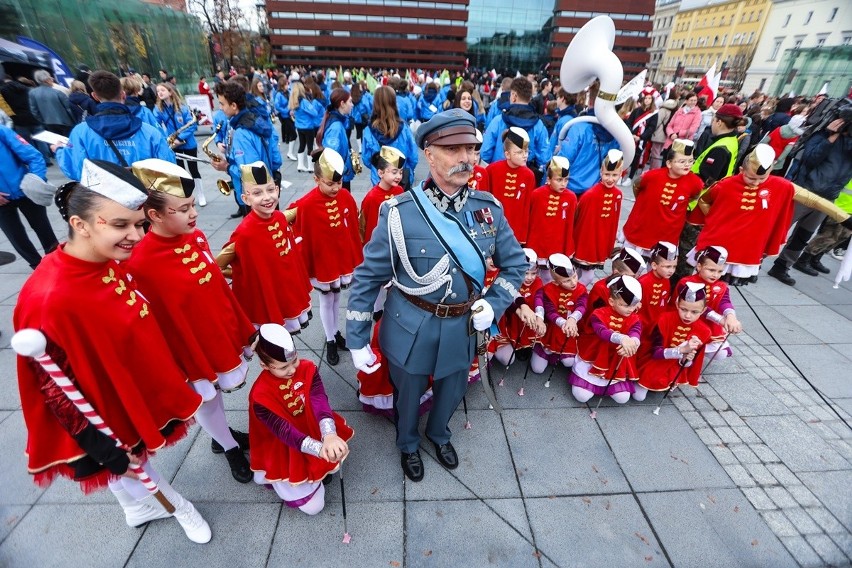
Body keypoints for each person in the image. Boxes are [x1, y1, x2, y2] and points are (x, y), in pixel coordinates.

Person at [13, 159, 210, 543]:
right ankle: (175, 505)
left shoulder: (106, 255)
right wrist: (98, 444)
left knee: (134, 458)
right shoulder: (48, 298)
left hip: (126, 377)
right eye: (120, 224)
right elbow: (52, 386)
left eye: (139, 224)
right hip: (97, 399)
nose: (136, 236)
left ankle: (134, 507)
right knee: (128, 460)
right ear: (80, 224)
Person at [345, 109, 527, 482]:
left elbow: (515, 266)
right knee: (408, 394)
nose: (465, 158)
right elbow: (368, 277)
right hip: (411, 324)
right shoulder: (398, 212)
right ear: (429, 154)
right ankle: (408, 443)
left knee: (453, 387)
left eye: (471, 149)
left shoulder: (487, 209)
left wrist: (491, 307)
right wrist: (357, 337)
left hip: (463, 325)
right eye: (453, 149)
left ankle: (439, 433)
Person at [126, 158, 255, 483]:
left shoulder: (195, 236)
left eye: (193, 204)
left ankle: (219, 434)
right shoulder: (139, 262)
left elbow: (213, 288)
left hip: (215, 332)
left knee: (217, 394)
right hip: (188, 347)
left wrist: (240, 325)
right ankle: (228, 447)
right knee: (206, 396)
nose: (194, 213)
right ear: (153, 215)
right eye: (183, 209)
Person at [248, 324, 353, 515]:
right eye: (282, 367)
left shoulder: (307, 368)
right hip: (284, 445)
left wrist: (329, 435)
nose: (292, 370)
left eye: (294, 360)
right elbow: (285, 432)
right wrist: (320, 449)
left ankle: (318, 471)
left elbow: (319, 400)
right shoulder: (260, 396)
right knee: (314, 508)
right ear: (264, 365)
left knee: (331, 452)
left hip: (312, 426)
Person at [216, 162, 312, 333]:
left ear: (277, 189)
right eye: (257, 193)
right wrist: (249, 276)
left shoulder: (280, 218)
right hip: (267, 298)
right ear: (245, 198)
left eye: (270, 190)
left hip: (287, 291)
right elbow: (219, 266)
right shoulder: (244, 233)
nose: (267, 197)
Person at [290, 148, 363, 365]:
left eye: (338, 183)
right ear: (316, 179)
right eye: (330, 184)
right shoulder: (306, 203)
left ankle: (335, 332)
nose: (335, 188)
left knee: (337, 297)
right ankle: (330, 339)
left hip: (339, 258)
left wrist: (354, 255)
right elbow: (295, 226)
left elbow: (352, 228)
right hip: (322, 261)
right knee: (326, 298)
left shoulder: (346, 196)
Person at [768, 112, 852, 285]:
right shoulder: (821, 135)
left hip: (827, 198)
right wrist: (830, 137)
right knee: (779, 228)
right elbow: (809, 158)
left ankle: (782, 266)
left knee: (804, 234)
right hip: (805, 191)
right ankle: (754, 263)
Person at [54, 71, 175, 181]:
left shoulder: (80, 133)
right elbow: (169, 166)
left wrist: (59, 150)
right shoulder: (149, 131)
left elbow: (75, 170)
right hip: (145, 199)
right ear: (123, 95)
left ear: (95, 96)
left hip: (104, 201)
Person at [622, 139, 703, 258]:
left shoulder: (695, 182)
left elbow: (694, 196)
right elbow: (637, 186)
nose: (687, 165)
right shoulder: (651, 176)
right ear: (669, 163)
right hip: (642, 229)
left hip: (668, 234)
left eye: (691, 161)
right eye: (681, 161)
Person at [569, 275, 643, 404]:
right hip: (595, 356)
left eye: (634, 305)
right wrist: (622, 338)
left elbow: (636, 332)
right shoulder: (599, 314)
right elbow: (602, 332)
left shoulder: (634, 318)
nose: (631, 309)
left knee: (623, 398)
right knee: (582, 396)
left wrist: (633, 343)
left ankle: (608, 385)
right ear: (611, 301)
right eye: (625, 305)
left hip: (615, 361)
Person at [213, 81, 282, 218]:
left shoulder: (241, 133)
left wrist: (226, 167)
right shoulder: (257, 120)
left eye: (222, 104)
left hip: (254, 198)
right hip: (268, 190)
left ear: (233, 106)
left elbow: (250, 173)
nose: (220, 108)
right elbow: (276, 159)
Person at [633, 281, 711, 401]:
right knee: (639, 397)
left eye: (694, 312)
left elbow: (691, 363)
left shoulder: (704, 331)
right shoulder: (664, 319)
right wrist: (681, 350)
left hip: (674, 364)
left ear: (703, 309)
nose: (688, 316)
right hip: (653, 361)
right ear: (677, 304)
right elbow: (655, 352)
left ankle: (668, 380)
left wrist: (686, 357)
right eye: (684, 309)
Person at [0, 124, 59, 269]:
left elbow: (34, 156)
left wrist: (34, 181)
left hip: (26, 190)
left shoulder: (2, 131)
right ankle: (38, 268)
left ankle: (58, 264)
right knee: (16, 236)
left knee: (44, 229)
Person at [675, 246, 742, 360]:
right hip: (687, 320)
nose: (715, 275)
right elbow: (698, 307)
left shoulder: (721, 285)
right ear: (699, 266)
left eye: (720, 271)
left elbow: (725, 301)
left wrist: (731, 317)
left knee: (721, 354)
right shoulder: (687, 282)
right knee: (689, 349)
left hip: (708, 324)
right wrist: (720, 320)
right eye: (711, 270)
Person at [480, 77, 551, 184]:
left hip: (497, 178)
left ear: (513, 96)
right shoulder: (538, 125)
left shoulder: (498, 121)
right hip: (524, 181)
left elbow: (485, 154)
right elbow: (544, 159)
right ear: (530, 97)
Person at [572, 149, 626, 286]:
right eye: (607, 174)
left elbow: (613, 221)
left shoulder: (618, 195)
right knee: (588, 277)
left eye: (614, 175)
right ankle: (577, 294)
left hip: (601, 240)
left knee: (579, 274)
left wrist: (609, 241)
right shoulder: (590, 194)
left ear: (620, 174)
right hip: (586, 242)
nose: (610, 178)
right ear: (601, 172)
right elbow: (580, 221)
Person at [530, 254, 587, 374]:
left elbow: (582, 306)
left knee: (569, 362)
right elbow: (550, 312)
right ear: (556, 281)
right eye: (567, 280)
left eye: (575, 276)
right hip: (552, 330)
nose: (573, 282)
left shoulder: (581, 289)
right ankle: (547, 353)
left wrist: (572, 319)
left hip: (570, 331)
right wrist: (564, 323)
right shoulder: (548, 290)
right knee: (537, 369)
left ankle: (558, 356)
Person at [526, 156, 577, 283]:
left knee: (549, 278)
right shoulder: (536, 195)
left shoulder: (571, 197)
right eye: (559, 180)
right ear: (548, 179)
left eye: (566, 180)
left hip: (557, 245)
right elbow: (529, 219)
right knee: (531, 275)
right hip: (537, 243)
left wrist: (568, 247)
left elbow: (570, 225)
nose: (563, 183)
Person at [153, 82, 205, 206]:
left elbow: (192, 125)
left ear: (170, 92)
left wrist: (180, 139)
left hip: (188, 143)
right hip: (173, 144)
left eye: (163, 90)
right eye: (158, 91)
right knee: (179, 171)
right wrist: (166, 139)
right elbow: (156, 126)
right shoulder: (158, 109)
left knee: (194, 170)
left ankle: (201, 195)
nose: (160, 92)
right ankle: (186, 196)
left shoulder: (182, 107)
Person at [492, 248, 545, 366]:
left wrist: (540, 317)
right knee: (507, 360)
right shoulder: (506, 277)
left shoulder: (538, 282)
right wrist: (522, 308)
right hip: (506, 322)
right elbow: (510, 297)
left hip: (525, 322)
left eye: (533, 273)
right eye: (525, 273)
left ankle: (524, 345)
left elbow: (539, 300)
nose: (530, 277)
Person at [482, 127, 535, 244]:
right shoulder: (492, 170)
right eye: (519, 152)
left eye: (526, 151)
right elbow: (485, 199)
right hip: (494, 225)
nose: (525, 155)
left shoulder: (529, 175)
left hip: (516, 228)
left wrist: (523, 235)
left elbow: (527, 207)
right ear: (507, 154)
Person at [362, 86, 418, 189]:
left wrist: (381, 171)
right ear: (394, 102)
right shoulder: (404, 128)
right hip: (400, 180)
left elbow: (366, 159)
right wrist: (403, 171)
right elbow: (413, 157)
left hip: (379, 180)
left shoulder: (368, 130)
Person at [360, 145, 405, 243]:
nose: (399, 176)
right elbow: (368, 228)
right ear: (381, 173)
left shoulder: (400, 190)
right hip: (379, 243)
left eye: (401, 172)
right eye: (394, 172)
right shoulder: (372, 197)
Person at [636, 242, 678, 341]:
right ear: (654, 265)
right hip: (642, 326)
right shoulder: (643, 282)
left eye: (674, 266)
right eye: (667, 267)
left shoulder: (666, 280)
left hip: (657, 324)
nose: (671, 271)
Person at [316, 88, 355, 190]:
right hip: (338, 178)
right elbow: (331, 156)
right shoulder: (336, 127)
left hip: (340, 175)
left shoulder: (338, 121)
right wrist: (345, 170)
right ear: (342, 103)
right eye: (350, 101)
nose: (352, 104)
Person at [28, 70, 76, 137]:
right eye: (50, 77)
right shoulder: (58, 93)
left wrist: (43, 121)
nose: (52, 79)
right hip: (66, 123)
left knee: (57, 144)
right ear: (46, 80)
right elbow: (69, 109)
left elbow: (34, 111)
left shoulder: (32, 93)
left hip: (48, 124)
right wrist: (75, 122)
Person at [289, 81, 320, 172]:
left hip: (299, 127)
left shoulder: (293, 101)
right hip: (308, 126)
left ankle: (300, 165)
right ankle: (310, 167)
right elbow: (314, 112)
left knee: (301, 145)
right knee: (310, 146)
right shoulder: (304, 102)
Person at [273, 76, 297, 161]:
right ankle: (290, 152)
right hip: (285, 116)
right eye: (286, 84)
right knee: (293, 133)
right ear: (283, 85)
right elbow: (277, 106)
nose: (288, 85)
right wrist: (286, 110)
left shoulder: (288, 92)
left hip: (290, 115)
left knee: (292, 133)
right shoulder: (279, 94)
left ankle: (290, 151)